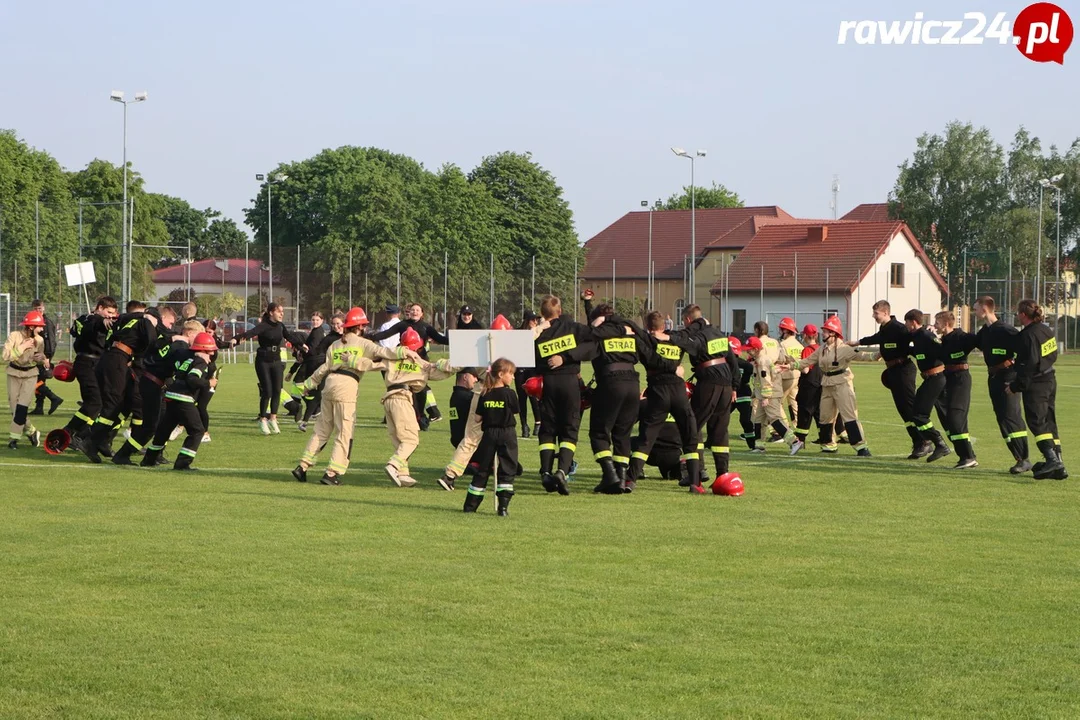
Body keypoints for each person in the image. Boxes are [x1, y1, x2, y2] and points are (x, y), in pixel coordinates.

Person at [290, 307, 423, 485]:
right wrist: (404, 351)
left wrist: (309, 385)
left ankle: (302, 466)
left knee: (321, 430)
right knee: (344, 433)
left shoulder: (335, 345)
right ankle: (332, 473)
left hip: (329, 385)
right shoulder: (362, 343)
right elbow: (384, 352)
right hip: (347, 387)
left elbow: (324, 368)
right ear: (360, 326)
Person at [435, 316, 531, 491]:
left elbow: (456, 364)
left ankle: (450, 475)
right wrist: (542, 325)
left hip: (480, 393)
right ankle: (505, 469)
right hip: (502, 395)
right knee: (506, 433)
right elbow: (530, 338)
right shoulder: (511, 349)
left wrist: (439, 363)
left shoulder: (480, 345)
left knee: (471, 438)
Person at [625, 311, 702, 493]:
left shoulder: (647, 343)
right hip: (678, 391)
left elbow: (638, 337)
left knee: (646, 437)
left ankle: (630, 479)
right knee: (689, 435)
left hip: (657, 391)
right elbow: (692, 331)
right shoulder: (676, 339)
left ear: (648, 327)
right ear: (664, 326)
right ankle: (695, 483)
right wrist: (700, 322)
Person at [81, 301, 163, 463]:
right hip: (118, 359)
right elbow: (153, 343)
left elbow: (123, 317)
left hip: (111, 358)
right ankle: (90, 440)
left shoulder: (128, 318)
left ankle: (101, 441)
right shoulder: (145, 321)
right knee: (113, 404)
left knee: (123, 403)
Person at [779, 316, 871, 457]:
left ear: (834, 333)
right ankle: (828, 444)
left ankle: (861, 447)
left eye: (826, 331)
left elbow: (863, 356)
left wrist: (880, 354)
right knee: (825, 416)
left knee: (849, 415)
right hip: (827, 383)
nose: (823, 334)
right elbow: (807, 361)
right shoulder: (822, 349)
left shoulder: (844, 349)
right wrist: (790, 366)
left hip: (842, 383)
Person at [375, 328, 457, 488]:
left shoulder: (392, 359)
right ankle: (393, 465)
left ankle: (403, 474)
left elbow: (372, 362)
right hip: (403, 398)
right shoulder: (419, 363)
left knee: (399, 439)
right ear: (418, 346)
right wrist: (456, 364)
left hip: (388, 399)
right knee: (411, 439)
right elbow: (441, 373)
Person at [113, 317, 200, 465]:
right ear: (190, 333)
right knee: (150, 427)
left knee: (161, 422)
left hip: (152, 381)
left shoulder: (174, 341)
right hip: (152, 383)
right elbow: (179, 366)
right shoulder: (181, 346)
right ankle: (123, 454)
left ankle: (154, 455)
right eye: (197, 337)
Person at [579, 296, 643, 494]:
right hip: (633, 383)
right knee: (622, 433)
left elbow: (585, 345)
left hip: (610, 383)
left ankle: (610, 475)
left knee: (599, 431)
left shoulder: (600, 336)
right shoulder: (629, 334)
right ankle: (622, 479)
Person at [534, 294, 596, 494]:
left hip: (547, 383)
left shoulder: (538, 334)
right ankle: (561, 471)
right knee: (570, 429)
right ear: (559, 312)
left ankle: (545, 472)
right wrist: (568, 356)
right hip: (570, 382)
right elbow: (593, 336)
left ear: (542, 313)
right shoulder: (572, 328)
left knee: (548, 429)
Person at [671, 304, 737, 487]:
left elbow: (682, 342)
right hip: (726, 384)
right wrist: (734, 387)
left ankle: (696, 473)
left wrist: (666, 336)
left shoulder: (696, 335)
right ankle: (722, 475)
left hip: (709, 381)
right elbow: (732, 360)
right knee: (720, 431)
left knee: (692, 426)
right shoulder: (718, 333)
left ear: (687, 320)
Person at [852, 300, 924, 458]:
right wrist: (858, 342)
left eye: (876, 313)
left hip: (903, 369)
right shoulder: (885, 329)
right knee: (902, 409)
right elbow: (877, 338)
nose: (874, 316)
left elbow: (916, 337)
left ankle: (924, 441)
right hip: (893, 370)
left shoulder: (899, 328)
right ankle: (918, 442)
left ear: (885, 313)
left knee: (909, 407)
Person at [140, 332, 218, 471]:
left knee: (164, 431)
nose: (212, 354)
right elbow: (192, 379)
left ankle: (149, 459)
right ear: (204, 349)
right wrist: (208, 383)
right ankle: (182, 463)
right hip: (183, 398)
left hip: (171, 395)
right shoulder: (200, 362)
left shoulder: (190, 359)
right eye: (211, 350)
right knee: (197, 431)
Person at [229, 302, 309, 435]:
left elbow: (289, 336)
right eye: (279, 311)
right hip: (263, 360)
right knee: (267, 391)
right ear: (271, 312)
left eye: (282, 312)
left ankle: (273, 418)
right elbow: (250, 333)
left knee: (277, 390)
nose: (282, 314)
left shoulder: (280, 326)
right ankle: (263, 419)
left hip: (276, 360)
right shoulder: (264, 326)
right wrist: (235, 339)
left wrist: (301, 345)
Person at [1007, 299, 1065, 480]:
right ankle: (1059, 463)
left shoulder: (1028, 335)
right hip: (1049, 379)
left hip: (1037, 384)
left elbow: (1029, 364)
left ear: (1024, 315)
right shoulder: (1046, 330)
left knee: (1037, 422)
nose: (1017, 315)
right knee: (1049, 421)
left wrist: (1016, 386)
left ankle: (1052, 459)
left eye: (1018, 313)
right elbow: (1052, 354)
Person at [366, 302, 448, 426]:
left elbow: (440, 339)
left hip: (420, 361)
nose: (415, 312)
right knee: (402, 388)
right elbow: (386, 334)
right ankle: (400, 416)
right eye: (413, 310)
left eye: (417, 310)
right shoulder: (403, 324)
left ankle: (420, 416)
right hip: (404, 360)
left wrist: (457, 340)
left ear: (422, 313)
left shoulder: (426, 327)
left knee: (420, 389)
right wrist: (369, 337)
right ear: (409, 312)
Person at [974, 296, 1030, 474]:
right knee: (1002, 419)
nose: (974, 312)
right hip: (994, 378)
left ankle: (1024, 458)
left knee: (1011, 417)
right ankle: (1018, 457)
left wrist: (1018, 376)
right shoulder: (984, 331)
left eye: (975, 308)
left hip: (1008, 376)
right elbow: (970, 342)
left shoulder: (1006, 330)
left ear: (984, 309)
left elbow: (1025, 351)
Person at [59, 296, 119, 450]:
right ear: (99, 308)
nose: (110, 316)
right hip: (86, 363)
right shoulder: (88, 319)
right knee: (94, 403)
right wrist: (101, 320)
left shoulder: (104, 322)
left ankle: (82, 435)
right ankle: (69, 431)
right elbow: (90, 325)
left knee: (99, 404)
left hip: (99, 364)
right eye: (108, 312)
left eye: (113, 314)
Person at [463, 358, 520, 516]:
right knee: (507, 468)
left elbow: (477, 419)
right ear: (501, 374)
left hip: (489, 434)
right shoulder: (510, 393)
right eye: (511, 374)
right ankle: (503, 507)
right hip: (507, 433)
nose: (513, 377)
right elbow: (515, 411)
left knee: (483, 469)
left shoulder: (485, 393)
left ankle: (470, 506)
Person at [904, 309, 952, 464]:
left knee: (919, 415)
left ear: (913, 322)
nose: (905, 326)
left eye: (906, 322)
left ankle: (939, 443)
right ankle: (937, 443)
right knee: (918, 414)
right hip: (929, 378)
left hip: (936, 378)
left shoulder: (926, 335)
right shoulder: (917, 336)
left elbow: (942, 350)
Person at [933, 311, 979, 469]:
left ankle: (968, 456)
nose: (935, 326)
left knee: (956, 418)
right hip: (948, 378)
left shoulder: (961, 337)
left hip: (961, 379)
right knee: (950, 418)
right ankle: (967, 456)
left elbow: (980, 341)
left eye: (937, 323)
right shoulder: (943, 341)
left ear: (946, 324)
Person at [4, 310, 48, 449]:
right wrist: (22, 347)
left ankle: (13, 439)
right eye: (39, 326)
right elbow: (5, 356)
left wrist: (41, 359)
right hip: (13, 373)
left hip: (30, 375)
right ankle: (31, 431)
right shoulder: (14, 336)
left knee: (22, 407)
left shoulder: (39, 340)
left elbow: (41, 357)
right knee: (14, 409)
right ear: (31, 327)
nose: (41, 329)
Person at [792, 324, 830, 450]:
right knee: (819, 414)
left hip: (808, 386)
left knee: (804, 414)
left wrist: (794, 363)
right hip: (820, 384)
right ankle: (825, 441)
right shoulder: (821, 348)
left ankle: (799, 442)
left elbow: (806, 370)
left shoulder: (807, 350)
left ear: (805, 335)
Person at [29, 299, 63, 416]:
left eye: (40, 308)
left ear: (43, 309)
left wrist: (47, 357)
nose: (38, 310)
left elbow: (51, 342)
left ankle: (54, 398)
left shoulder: (46, 323)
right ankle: (39, 407)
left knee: (33, 381)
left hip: (42, 357)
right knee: (39, 381)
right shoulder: (34, 321)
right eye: (36, 308)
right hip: (35, 356)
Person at [514, 311, 541, 438]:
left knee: (533, 396)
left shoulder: (538, 333)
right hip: (520, 369)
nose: (535, 322)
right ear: (526, 320)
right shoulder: (518, 333)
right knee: (522, 398)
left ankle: (538, 422)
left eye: (536, 319)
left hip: (532, 369)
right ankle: (524, 425)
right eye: (533, 319)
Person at [730, 336, 757, 450]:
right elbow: (746, 380)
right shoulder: (747, 365)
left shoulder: (723, 364)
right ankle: (752, 445)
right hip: (744, 394)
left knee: (719, 419)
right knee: (746, 421)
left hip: (729, 395)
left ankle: (711, 441)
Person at [777, 317, 803, 425]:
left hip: (786, 376)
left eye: (781, 329)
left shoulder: (783, 345)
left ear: (785, 331)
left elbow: (780, 360)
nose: (780, 331)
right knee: (793, 403)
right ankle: (797, 425)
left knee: (776, 402)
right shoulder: (799, 345)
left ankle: (782, 429)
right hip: (797, 376)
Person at [449, 368, 481, 449]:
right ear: (465, 377)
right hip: (468, 440)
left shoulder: (455, 396)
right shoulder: (467, 397)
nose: (476, 380)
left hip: (457, 438)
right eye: (474, 376)